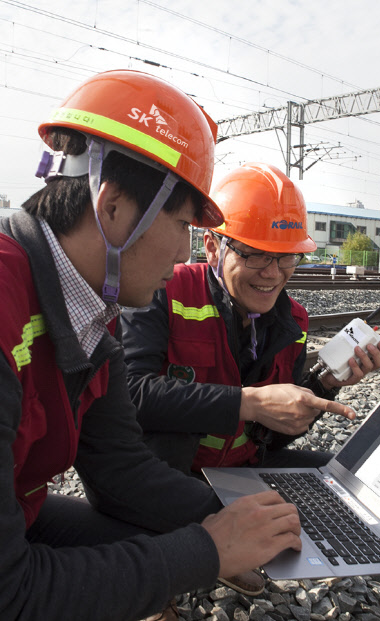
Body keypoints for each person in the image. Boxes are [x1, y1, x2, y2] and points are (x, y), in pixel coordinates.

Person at [0, 72, 302, 621]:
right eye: (185, 222)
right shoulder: (3, 308)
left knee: (143, 552)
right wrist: (208, 551)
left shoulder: (93, 312)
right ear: (112, 204)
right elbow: (9, 593)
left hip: (19, 516)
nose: (188, 249)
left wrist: (251, 520)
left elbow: (119, 469)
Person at [122, 162, 380, 497]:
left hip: (242, 472)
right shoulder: (164, 291)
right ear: (213, 247)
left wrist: (325, 384)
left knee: (353, 483)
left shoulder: (294, 322)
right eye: (256, 255)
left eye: (286, 257)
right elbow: (128, 393)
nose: (273, 274)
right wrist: (245, 403)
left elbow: (271, 436)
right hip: (165, 480)